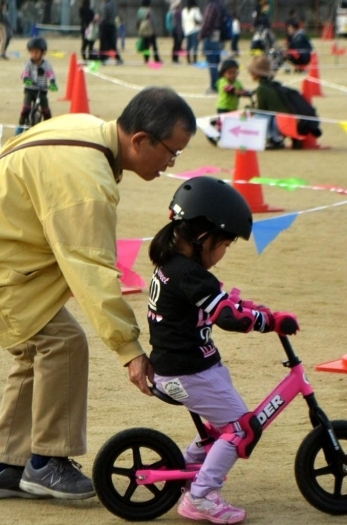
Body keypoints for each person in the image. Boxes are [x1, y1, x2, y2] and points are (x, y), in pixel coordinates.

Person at [0, 86, 197, 500]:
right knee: (63, 343)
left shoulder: (86, 129)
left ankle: (7, 461)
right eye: (171, 151)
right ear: (141, 140)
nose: (172, 163)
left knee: (35, 346)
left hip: (14, 256)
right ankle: (46, 463)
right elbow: (92, 271)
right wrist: (130, 350)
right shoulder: (87, 181)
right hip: (9, 265)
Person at [147, 176, 299, 524]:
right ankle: (200, 497)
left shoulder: (175, 265)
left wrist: (255, 310)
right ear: (204, 237)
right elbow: (227, 316)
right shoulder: (189, 274)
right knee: (243, 429)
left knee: (223, 429)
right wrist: (270, 322)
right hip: (187, 371)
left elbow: (220, 303)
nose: (224, 252)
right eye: (226, 244)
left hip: (191, 366)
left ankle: (190, 471)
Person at [16, 37, 58, 134]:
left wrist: (52, 83)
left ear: (42, 53)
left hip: (42, 90)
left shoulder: (46, 64)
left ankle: (49, 129)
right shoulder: (28, 63)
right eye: (32, 52)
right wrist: (26, 79)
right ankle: (20, 126)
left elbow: (50, 74)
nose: (34, 54)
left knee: (46, 111)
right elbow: (25, 73)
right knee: (25, 108)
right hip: (30, 90)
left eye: (37, 52)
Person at [248, 54, 289, 149]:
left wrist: (251, 110)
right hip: (285, 119)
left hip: (278, 121)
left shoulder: (261, 89)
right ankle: (276, 139)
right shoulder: (273, 85)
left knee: (258, 117)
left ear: (256, 73)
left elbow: (262, 110)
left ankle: (273, 139)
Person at [200, 0, 224, 94]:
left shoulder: (211, 6)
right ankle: (221, 84)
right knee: (217, 62)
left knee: (212, 63)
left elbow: (207, 22)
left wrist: (201, 35)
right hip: (218, 37)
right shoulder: (220, 5)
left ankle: (214, 86)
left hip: (210, 37)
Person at [99, 0, 123, 65]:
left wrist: (100, 22)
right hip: (112, 25)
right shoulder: (113, 3)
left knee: (104, 44)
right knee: (112, 44)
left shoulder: (106, 5)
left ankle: (103, 59)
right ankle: (118, 58)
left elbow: (105, 17)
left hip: (106, 26)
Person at [181, 0, 202, 65]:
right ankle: (195, 60)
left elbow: (183, 21)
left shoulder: (184, 11)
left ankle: (188, 60)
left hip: (187, 30)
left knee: (188, 46)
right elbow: (200, 19)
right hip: (195, 29)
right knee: (195, 45)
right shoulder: (196, 9)